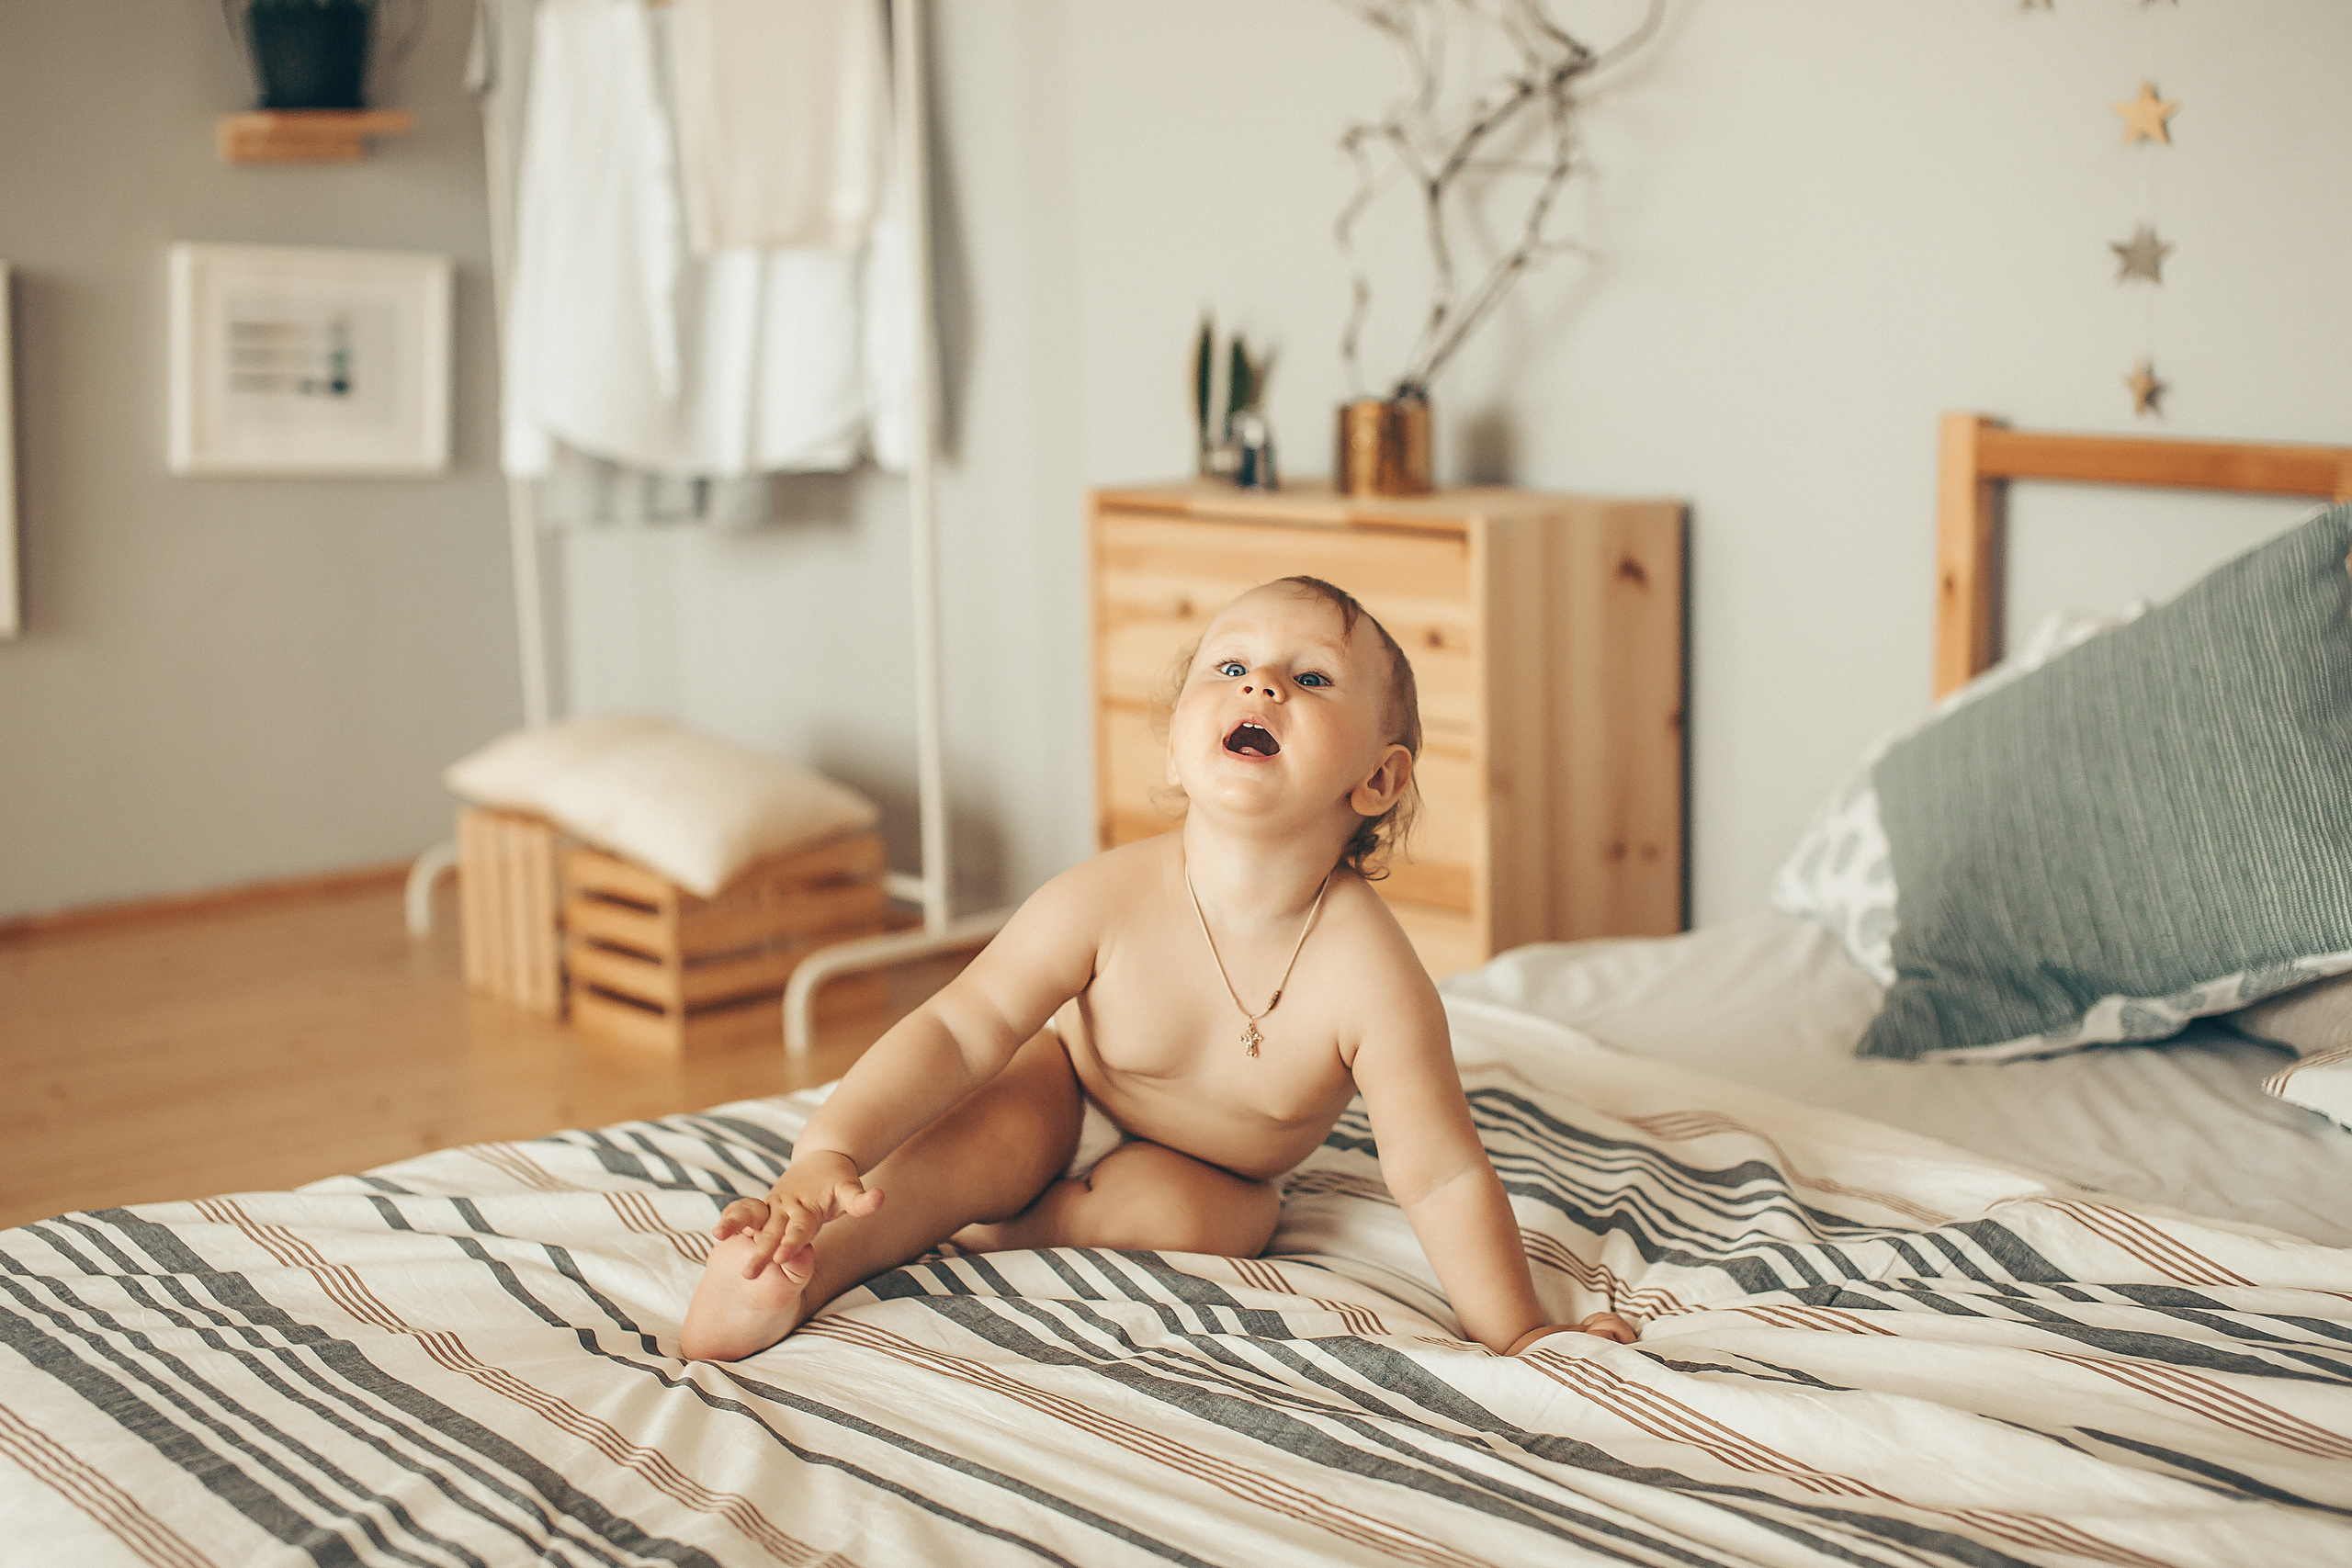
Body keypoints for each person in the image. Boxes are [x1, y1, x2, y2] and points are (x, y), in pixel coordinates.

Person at [680, 575, 1637, 1361]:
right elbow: (959, 1028)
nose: (1262, 686)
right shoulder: (1104, 897)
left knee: (1197, 1223)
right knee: (964, 1150)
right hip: (1067, 1085)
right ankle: (791, 1271)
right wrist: (831, 1147)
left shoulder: (1371, 974)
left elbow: (1439, 1176)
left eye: (1310, 677)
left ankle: (1007, 1231)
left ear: (1378, 780)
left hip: (1214, 1166)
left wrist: (1519, 1330)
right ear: (1179, 748)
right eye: (1230, 667)